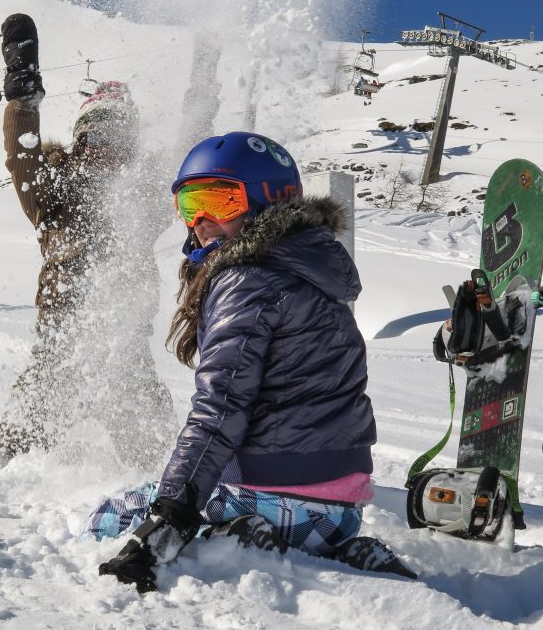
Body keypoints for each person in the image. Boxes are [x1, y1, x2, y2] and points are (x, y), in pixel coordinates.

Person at [84, 131, 382, 593]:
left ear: (268, 202)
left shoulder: (247, 279)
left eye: (220, 202)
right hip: (341, 511)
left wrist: (173, 511)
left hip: (277, 499)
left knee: (109, 517)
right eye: (190, 204)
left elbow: (220, 407)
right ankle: (316, 549)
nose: (202, 221)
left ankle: (237, 540)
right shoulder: (310, 269)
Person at [0, 13, 176, 463]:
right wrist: (22, 96)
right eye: (94, 136)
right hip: (60, 353)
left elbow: (189, 154)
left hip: (127, 359)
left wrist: (204, 81)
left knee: (157, 463)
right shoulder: (51, 195)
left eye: (117, 139)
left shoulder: (140, 201)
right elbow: (22, 155)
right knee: (12, 460)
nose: (103, 149)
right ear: (79, 140)